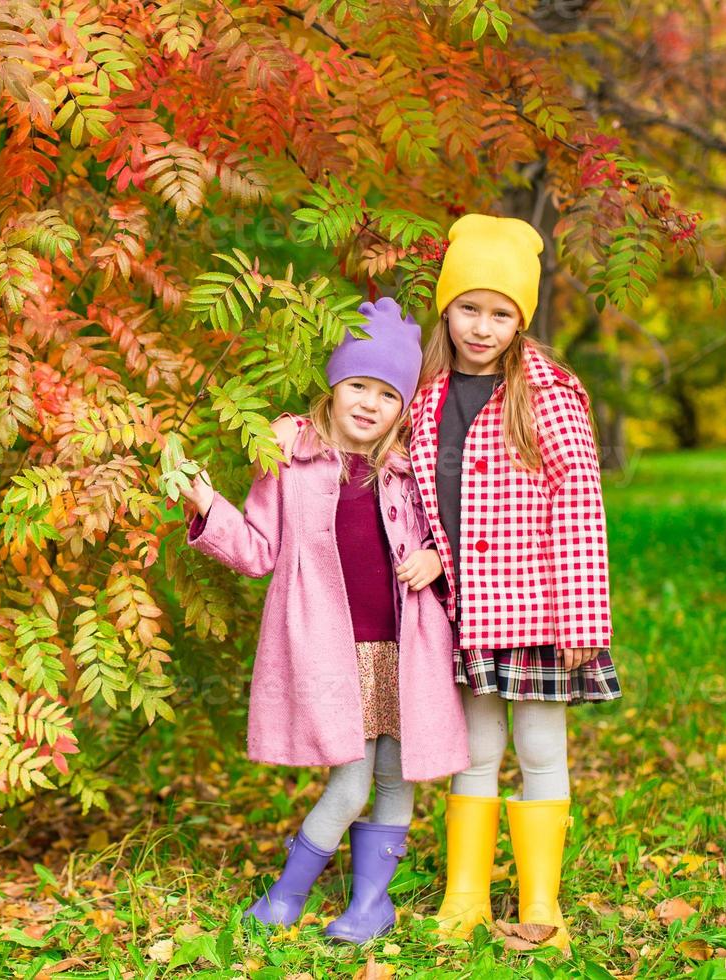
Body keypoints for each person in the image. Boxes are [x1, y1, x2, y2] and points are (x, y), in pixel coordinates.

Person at [272, 214, 622, 952]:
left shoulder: (551, 391)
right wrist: (288, 437)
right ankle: (464, 895)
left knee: (538, 748)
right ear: (446, 308)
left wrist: (583, 625)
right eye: (469, 307)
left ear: (521, 317)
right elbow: (374, 473)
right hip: (459, 613)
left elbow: (580, 510)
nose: (483, 326)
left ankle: (539, 901)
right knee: (475, 749)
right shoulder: (422, 395)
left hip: (539, 611)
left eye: (501, 313)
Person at [178, 296, 468, 945]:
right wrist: (208, 507)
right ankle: (287, 894)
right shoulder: (289, 456)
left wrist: (434, 559)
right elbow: (257, 550)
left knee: (396, 774)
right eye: (358, 386)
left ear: (402, 407)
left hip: (406, 647)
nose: (369, 403)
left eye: (387, 394)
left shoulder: (410, 467)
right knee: (352, 779)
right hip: (335, 651)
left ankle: (371, 904)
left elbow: (454, 535)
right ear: (334, 388)